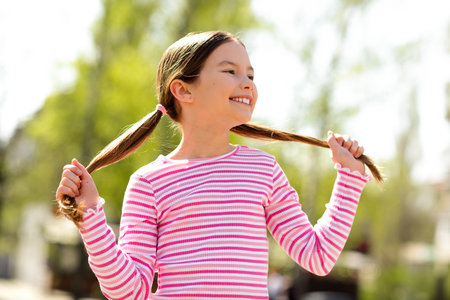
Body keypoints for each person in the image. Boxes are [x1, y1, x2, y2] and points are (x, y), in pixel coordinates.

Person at [56, 31, 373, 300]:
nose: (247, 83)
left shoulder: (262, 170)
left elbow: (317, 256)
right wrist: (91, 217)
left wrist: (350, 179)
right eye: (230, 71)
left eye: (250, 75)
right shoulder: (149, 183)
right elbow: (129, 291)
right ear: (183, 89)